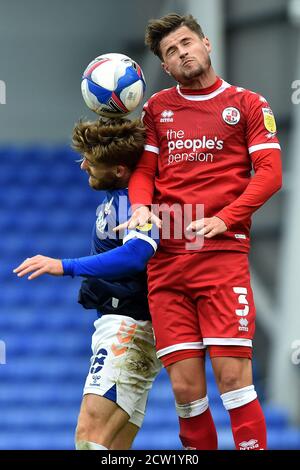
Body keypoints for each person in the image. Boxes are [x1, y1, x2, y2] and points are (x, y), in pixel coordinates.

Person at [117, 13, 282, 450]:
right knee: (187, 394)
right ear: (166, 68)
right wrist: (138, 207)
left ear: (207, 44)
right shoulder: (156, 109)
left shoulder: (249, 104)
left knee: (234, 382)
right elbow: (145, 171)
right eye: (171, 52)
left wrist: (225, 218)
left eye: (187, 42)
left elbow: (270, 174)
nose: (182, 52)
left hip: (221, 258)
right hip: (167, 262)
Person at [14, 117, 161, 451]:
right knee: (111, 449)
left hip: (128, 328)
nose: (83, 167)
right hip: (126, 328)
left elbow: (137, 253)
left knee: (90, 437)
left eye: (91, 162)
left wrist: (64, 266)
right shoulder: (116, 198)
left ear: (120, 170)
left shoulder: (132, 203)